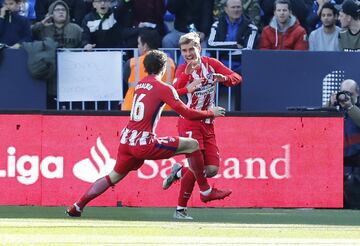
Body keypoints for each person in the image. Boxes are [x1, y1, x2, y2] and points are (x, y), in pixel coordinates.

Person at [66, 50, 230, 217]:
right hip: (143, 143)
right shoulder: (163, 87)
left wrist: (182, 88)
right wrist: (211, 113)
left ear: (145, 67)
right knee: (192, 145)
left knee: (112, 177)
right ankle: (205, 191)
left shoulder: (140, 85)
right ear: (164, 68)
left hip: (126, 141)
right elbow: (187, 112)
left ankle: (77, 206)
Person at [162, 32, 241, 220]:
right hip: (189, 121)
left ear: (199, 48)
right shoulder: (183, 69)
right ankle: (181, 209)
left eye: (191, 49)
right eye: (184, 50)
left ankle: (179, 171)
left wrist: (224, 79)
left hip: (208, 122)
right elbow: (172, 93)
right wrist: (186, 85)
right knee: (196, 166)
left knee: (211, 169)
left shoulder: (211, 64)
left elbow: (237, 77)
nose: (188, 53)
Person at [121, 29, 176, 111]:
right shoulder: (171, 63)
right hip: (165, 112)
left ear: (145, 46)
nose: (138, 46)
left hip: (134, 111)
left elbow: (125, 83)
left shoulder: (132, 63)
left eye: (139, 43)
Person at [328, 79, 360, 208]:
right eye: (343, 93)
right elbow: (320, 121)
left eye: (350, 94)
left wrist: (350, 107)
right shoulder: (336, 109)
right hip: (338, 157)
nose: (346, 97)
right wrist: (330, 104)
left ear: (357, 94)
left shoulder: (354, 108)